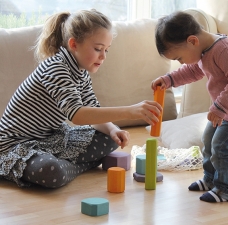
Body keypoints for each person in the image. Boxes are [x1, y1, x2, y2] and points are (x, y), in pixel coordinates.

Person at [0, 9, 162, 188]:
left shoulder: (80, 71)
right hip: (16, 145)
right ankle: (68, 168)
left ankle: (66, 166)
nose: (103, 56)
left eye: (107, 50)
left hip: (50, 139)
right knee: (51, 171)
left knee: (109, 137)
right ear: (74, 44)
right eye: (98, 49)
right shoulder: (56, 68)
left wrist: (111, 129)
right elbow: (78, 115)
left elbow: (93, 110)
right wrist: (130, 111)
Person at [151, 11, 228, 203]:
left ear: (192, 41)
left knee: (222, 147)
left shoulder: (225, 51)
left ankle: (226, 190)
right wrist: (169, 79)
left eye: (179, 58)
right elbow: (192, 70)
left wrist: (220, 106)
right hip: (226, 112)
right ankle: (210, 179)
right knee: (208, 140)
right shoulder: (204, 50)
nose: (180, 62)